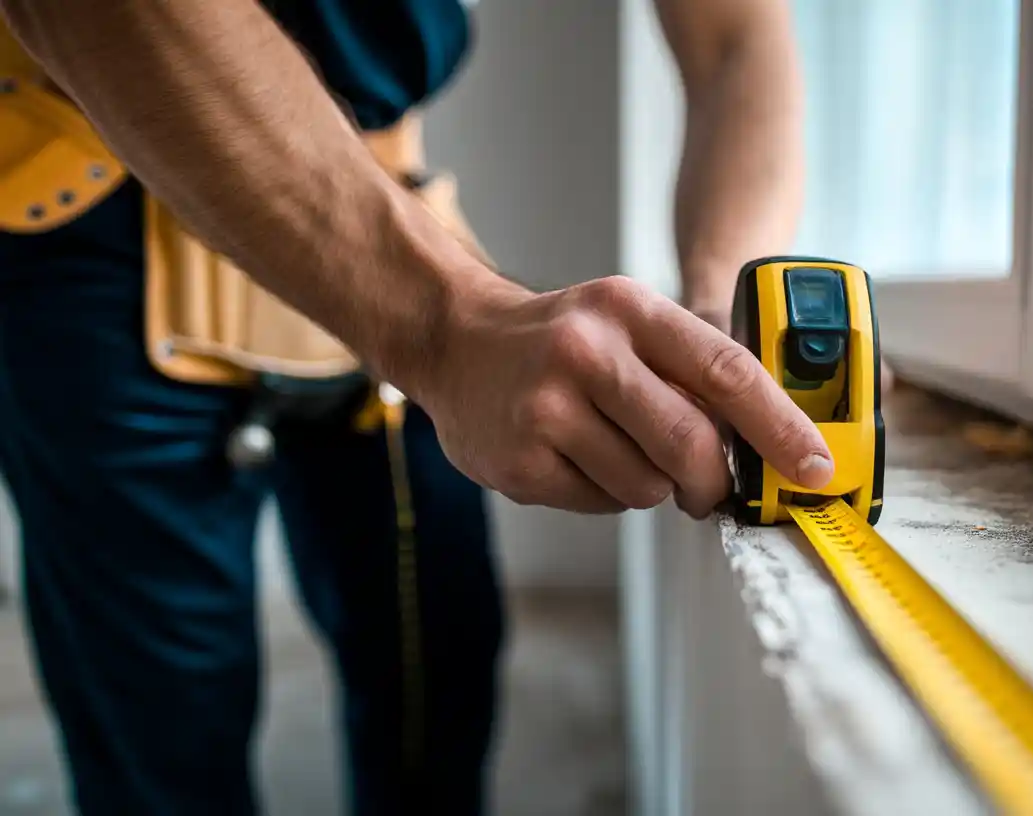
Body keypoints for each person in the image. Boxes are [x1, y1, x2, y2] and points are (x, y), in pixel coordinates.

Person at [0, 0, 829, 813]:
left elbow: (735, 39)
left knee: (438, 671)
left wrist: (722, 317)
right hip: (103, 213)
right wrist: (443, 323)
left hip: (385, 197)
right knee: (163, 731)